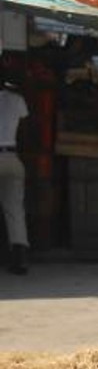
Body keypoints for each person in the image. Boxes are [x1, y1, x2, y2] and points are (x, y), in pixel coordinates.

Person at [0, 72, 30, 275]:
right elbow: (25, 122)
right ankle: (18, 258)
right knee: (15, 210)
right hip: (12, 156)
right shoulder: (17, 99)